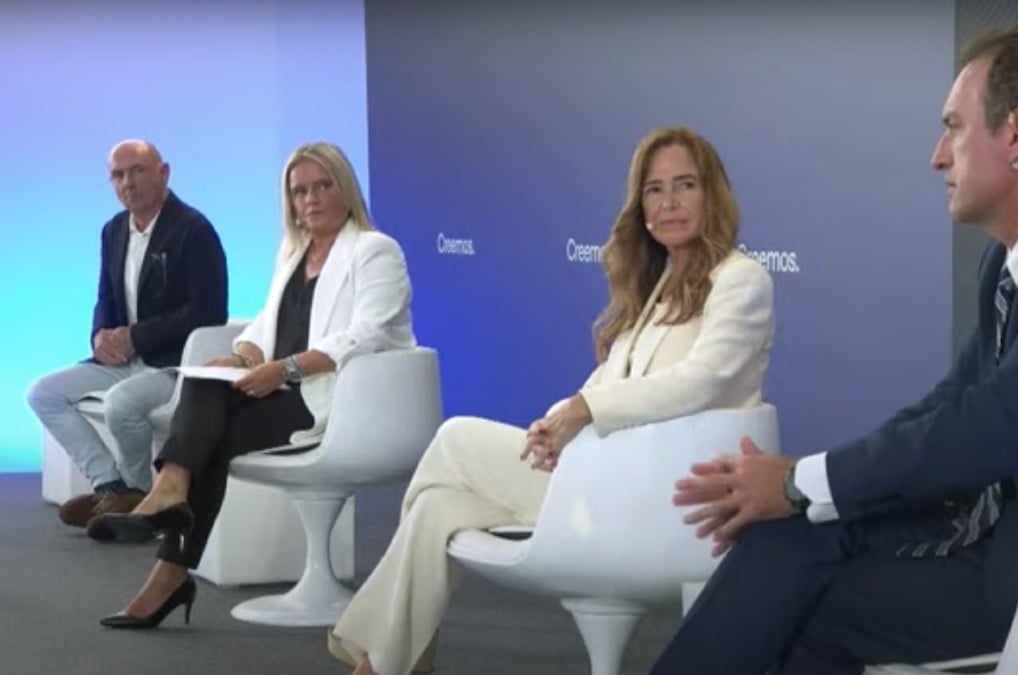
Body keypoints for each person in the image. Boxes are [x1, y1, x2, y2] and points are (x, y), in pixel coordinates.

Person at [651, 23, 1018, 675]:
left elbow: (996, 425)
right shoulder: (1012, 258)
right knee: (786, 545)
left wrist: (800, 483)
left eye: (954, 127)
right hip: (1011, 544)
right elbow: (953, 401)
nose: (938, 156)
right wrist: (805, 484)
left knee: (793, 601)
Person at [327, 126, 775, 675]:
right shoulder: (658, 283)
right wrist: (556, 422)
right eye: (655, 190)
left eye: (685, 185)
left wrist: (583, 414)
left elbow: (702, 379)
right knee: (437, 507)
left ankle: (390, 655)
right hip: (609, 473)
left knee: (454, 438)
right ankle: (387, 661)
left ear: (713, 194)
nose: (670, 202)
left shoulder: (741, 279)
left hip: (665, 491)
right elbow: (609, 379)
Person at [90, 141, 416, 628]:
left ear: (345, 189)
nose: (310, 199)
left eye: (322, 186)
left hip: (340, 401)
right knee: (204, 383)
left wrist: (283, 369)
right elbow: (266, 324)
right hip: (287, 396)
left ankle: (169, 539)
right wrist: (241, 354)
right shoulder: (295, 254)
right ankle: (171, 507)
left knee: (207, 435)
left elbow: (366, 334)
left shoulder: (374, 251)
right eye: (299, 191)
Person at [27, 139, 228, 532]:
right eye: (117, 175)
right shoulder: (113, 229)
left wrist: (136, 336)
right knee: (43, 393)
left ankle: (139, 497)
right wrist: (101, 336)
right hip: (123, 360)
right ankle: (112, 486)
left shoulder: (194, 230)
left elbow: (208, 312)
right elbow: (106, 295)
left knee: (121, 404)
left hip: (173, 362)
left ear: (163, 173)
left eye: (137, 171)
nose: (127, 183)